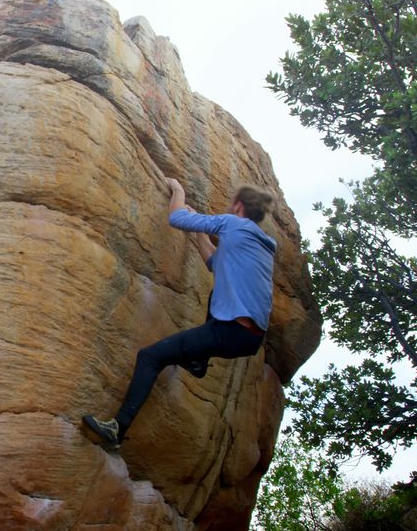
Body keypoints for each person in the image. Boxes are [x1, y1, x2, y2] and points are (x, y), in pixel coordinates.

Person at [82, 178, 276, 451]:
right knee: (216, 292)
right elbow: (213, 262)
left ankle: (118, 428)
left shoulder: (232, 224)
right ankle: (197, 361)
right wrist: (199, 232)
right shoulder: (259, 244)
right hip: (249, 338)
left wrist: (179, 192)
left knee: (150, 357)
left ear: (238, 205)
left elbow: (175, 218)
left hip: (230, 330)